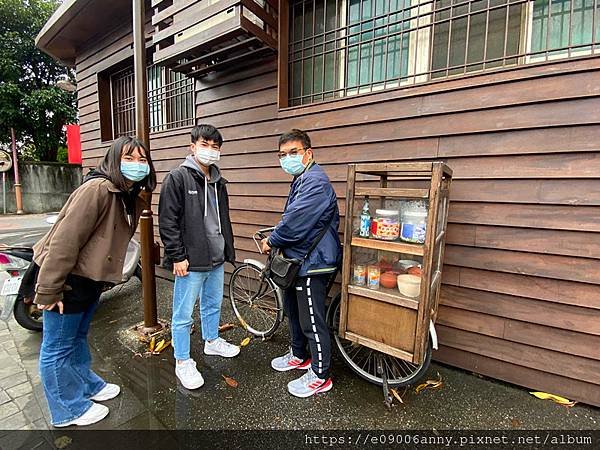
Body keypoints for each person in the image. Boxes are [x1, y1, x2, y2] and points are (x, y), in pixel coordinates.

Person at [29, 136, 156, 427]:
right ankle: (66, 409)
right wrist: (50, 289)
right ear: (113, 160)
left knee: (76, 337)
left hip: (90, 279)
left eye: (142, 160)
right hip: (67, 278)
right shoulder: (97, 189)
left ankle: (86, 385)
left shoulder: (126, 193)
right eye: (129, 158)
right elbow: (64, 241)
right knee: (57, 347)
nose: (137, 165)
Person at [261, 129, 341, 398]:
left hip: (313, 262)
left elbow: (296, 221)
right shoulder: (302, 178)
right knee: (294, 313)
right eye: (282, 155)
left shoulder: (315, 182)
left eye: (293, 153)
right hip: (300, 259)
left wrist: (272, 240)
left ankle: (320, 375)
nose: (287, 158)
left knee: (312, 321)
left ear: (309, 153)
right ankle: (298, 355)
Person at [159, 124, 238, 390]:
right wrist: (177, 256)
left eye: (216, 147)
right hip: (190, 260)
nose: (211, 151)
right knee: (182, 314)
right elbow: (167, 221)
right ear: (192, 146)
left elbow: (222, 220)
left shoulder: (219, 182)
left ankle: (212, 341)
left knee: (213, 304)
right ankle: (182, 361)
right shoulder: (178, 178)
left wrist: (227, 249)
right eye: (205, 145)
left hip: (214, 257)